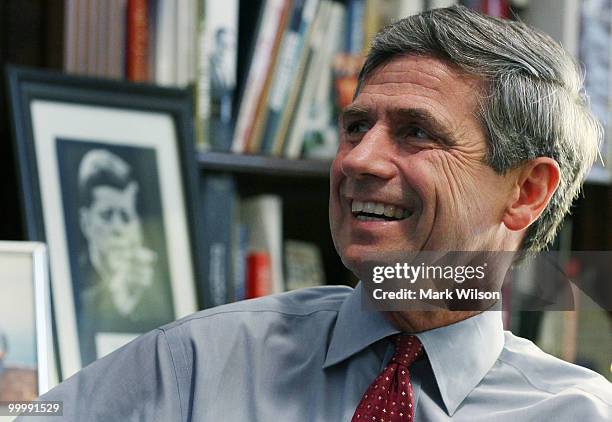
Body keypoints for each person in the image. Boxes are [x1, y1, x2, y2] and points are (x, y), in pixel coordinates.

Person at [26, 6, 611, 421]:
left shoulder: (576, 411)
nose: (358, 159)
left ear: (527, 191)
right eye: (356, 127)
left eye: (414, 133)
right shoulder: (196, 362)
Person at [75, 148, 173, 364]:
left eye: (126, 216)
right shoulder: (74, 287)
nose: (118, 228)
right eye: (107, 215)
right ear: (86, 222)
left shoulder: (156, 287)